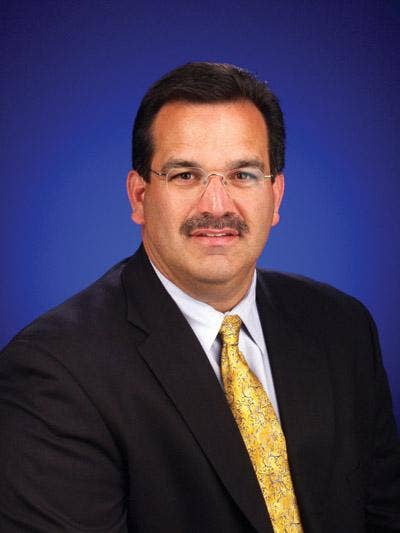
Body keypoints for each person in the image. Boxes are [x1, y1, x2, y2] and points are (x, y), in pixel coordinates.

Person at [0, 62, 399, 533]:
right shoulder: (54, 371)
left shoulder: (342, 328)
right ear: (139, 196)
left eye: (243, 174)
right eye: (186, 175)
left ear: (276, 196)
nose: (216, 206)